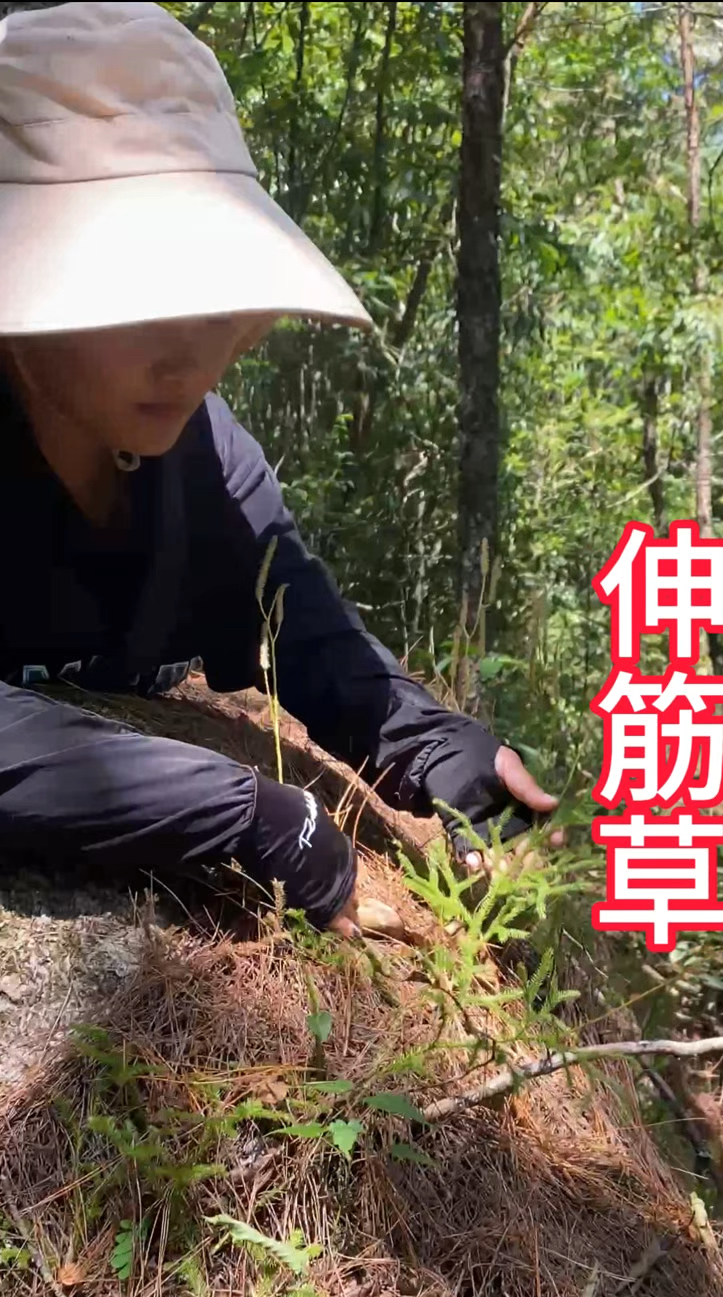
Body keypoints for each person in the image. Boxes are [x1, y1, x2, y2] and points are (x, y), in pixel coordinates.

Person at [0, 0, 560, 940]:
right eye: (133, 290)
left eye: (211, 293)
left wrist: (440, 752)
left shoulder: (204, 457)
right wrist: (254, 820)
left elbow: (298, 628)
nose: (191, 350)